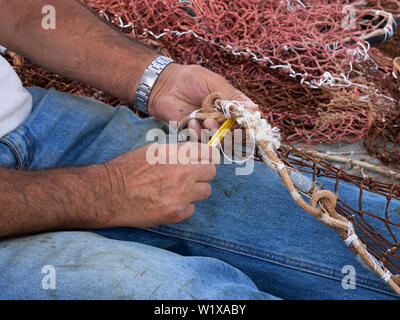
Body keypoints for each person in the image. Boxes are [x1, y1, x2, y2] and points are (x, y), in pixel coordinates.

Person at [0, 0, 397, 300]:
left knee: (354, 229)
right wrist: (109, 190)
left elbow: (18, 11)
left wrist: (158, 80)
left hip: (32, 124)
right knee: (192, 294)